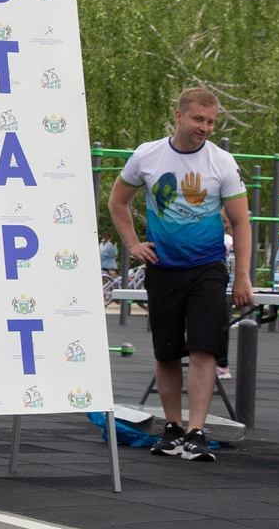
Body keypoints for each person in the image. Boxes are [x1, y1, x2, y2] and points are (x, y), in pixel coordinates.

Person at [108, 86, 254, 462]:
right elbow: (117, 201)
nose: (205, 127)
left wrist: (242, 275)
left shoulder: (222, 162)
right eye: (198, 119)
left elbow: (241, 222)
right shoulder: (148, 155)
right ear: (178, 116)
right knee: (167, 350)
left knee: (204, 347)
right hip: (164, 267)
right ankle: (171, 427)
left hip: (207, 267)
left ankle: (196, 429)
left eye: (210, 121)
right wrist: (132, 244)